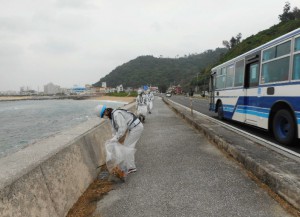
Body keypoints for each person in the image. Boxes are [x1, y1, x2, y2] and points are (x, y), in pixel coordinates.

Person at [96, 105, 144, 174]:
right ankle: (129, 165)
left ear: (105, 112)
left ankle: (131, 167)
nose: (104, 117)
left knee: (127, 147)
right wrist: (113, 139)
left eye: (103, 115)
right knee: (126, 146)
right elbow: (115, 130)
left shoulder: (116, 114)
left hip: (136, 128)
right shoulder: (113, 116)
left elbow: (122, 128)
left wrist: (116, 138)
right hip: (133, 128)